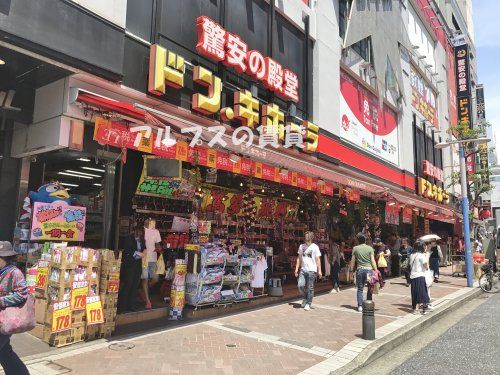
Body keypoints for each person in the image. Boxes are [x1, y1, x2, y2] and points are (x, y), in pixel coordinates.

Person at [0, 241, 30, 375]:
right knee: (4, 352)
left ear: (4, 258)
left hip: (6, 320)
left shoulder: (15, 273)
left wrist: (2, 301)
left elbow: (22, 294)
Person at [118, 228, 145, 313]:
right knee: (128, 284)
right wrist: (136, 253)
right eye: (138, 232)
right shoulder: (129, 238)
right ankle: (122, 305)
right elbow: (127, 249)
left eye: (141, 232)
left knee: (135, 285)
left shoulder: (142, 240)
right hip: (130, 264)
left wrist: (144, 252)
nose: (139, 234)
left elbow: (144, 248)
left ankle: (131, 305)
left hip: (138, 263)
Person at [350, 233, 378, 312]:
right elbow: (373, 260)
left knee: (360, 288)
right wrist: (376, 270)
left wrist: (351, 270)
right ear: (365, 240)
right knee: (370, 287)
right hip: (369, 270)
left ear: (358, 240)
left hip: (360, 270)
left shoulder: (355, 248)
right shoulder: (370, 248)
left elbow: (353, 261)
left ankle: (360, 306)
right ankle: (368, 303)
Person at [294, 231, 322, 311]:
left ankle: (308, 303)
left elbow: (318, 259)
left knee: (310, 287)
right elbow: (299, 258)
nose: (306, 238)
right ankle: (306, 297)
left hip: (312, 270)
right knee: (300, 285)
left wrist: (319, 270)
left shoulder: (315, 247)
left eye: (308, 237)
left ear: (311, 237)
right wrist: (296, 269)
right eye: (305, 237)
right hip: (303, 269)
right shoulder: (301, 246)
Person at [142, 219, 162, 309]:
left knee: (155, 278)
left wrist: (159, 249)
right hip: (144, 258)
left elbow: (157, 243)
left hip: (153, 258)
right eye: (153, 223)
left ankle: (143, 291)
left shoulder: (156, 232)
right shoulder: (143, 231)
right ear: (148, 223)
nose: (155, 225)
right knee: (145, 279)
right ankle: (147, 301)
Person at [410, 240, 431, 315]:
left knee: (415, 292)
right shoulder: (421, 255)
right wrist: (427, 256)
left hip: (413, 276)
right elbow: (425, 265)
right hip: (420, 275)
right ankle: (416, 309)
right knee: (421, 292)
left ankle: (424, 306)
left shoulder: (412, 254)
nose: (425, 247)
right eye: (424, 245)